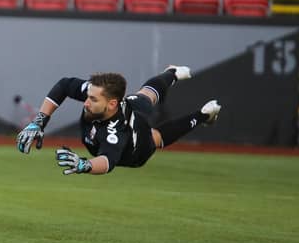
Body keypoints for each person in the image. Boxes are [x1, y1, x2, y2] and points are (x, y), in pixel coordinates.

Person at [16, 66, 221, 175]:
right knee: (145, 96)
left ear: (112, 104)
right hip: (132, 106)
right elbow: (64, 86)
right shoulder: (96, 94)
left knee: (154, 137)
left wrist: (83, 165)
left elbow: (107, 161)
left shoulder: (114, 132)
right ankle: (173, 73)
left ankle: (203, 114)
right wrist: (39, 121)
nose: (86, 102)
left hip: (134, 150)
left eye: (93, 99)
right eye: (88, 95)